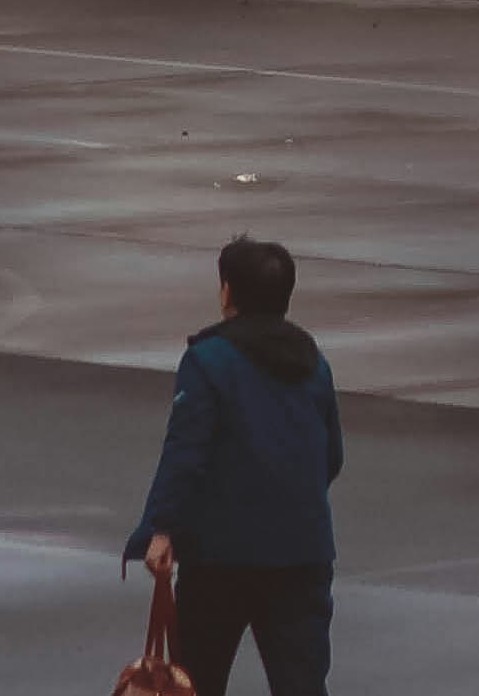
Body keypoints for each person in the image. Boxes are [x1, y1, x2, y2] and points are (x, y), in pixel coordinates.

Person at [128, 238, 340, 696]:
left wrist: (161, 529)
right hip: (302, 552)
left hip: (220, 557)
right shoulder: (314, 362)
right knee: (301, 684)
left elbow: (185, 452)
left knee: (199, 679)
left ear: (227, 293)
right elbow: (331, 457)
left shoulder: (207, 360)